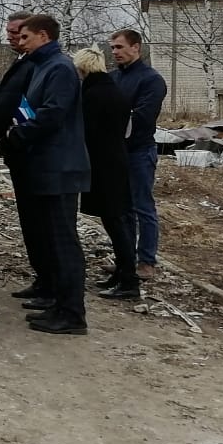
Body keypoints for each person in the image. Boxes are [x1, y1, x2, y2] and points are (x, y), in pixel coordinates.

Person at [4, 14, 92, 335]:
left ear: (43, 36)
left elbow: (52, 114)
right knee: (50, 242)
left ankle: (72, 314)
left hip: (59, 168)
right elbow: (28, 108)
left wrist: (18, 135)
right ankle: (57, 300)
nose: (19, 41)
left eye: (25, 36)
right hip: (42, 166)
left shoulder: (60, 68)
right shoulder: (40, 67)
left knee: (63, 243)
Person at [74, 47, 139, 301]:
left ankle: (129, 280)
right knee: (117, 221)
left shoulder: (93, 95)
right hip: (115, 161)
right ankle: (123, 274)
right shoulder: (113, 90)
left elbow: (86, 131)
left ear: (83, 68)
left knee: (115, 222)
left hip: (103, 165)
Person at [109, 29, 168, 281]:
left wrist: (110, 126)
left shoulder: (151, 80)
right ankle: (125, 258)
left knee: (142, 206)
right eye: (112, 48)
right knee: (120, 208)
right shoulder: (112, 78)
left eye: (120, 47)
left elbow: (141, 117)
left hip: (139, 151)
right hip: (115, 153)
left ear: (136, 47)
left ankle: (146, 261)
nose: (115, 52)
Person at [0, 11, 47, 304]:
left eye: (18, 32)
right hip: (18, 152)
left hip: (32, 153)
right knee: (31, 222)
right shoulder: (22, 61)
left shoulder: (39, 65)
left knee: (43, 224)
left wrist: (15, 134)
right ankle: (42, 276)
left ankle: (50, 282)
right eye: (11, 32)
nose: (12, 37)